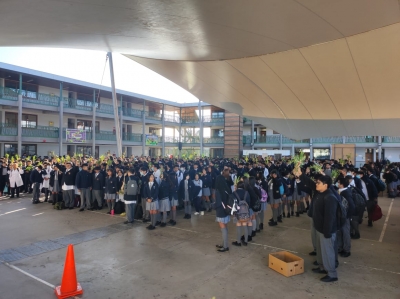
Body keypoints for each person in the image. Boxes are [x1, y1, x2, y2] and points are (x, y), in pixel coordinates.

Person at [311, 175, 338, 282]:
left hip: (326, 230)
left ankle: (332, 274)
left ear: (325, 185)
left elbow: (330, 217)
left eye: (318, 183)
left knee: (328, 251)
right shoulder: (320, 194)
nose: (316, 184)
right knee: (321, 251)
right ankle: (322, 267)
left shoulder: (330, 197)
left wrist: (327, 232)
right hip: (319, 228)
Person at [337, 176, 355, 258]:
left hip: (345, 217)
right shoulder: (340, 191)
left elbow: (352, 206)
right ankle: (340, 247)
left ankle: (347, 250)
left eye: (338, 182)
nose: (337, 183)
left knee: (345, 233)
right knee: (340, 232)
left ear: (342, 184)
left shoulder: (346, 193)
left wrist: (348, 216)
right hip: (340, 216)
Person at [232, 181, 251, 246]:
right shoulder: (246, 193)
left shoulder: (234, 193)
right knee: (245, 226)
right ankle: (245, 241)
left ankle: (238, 242)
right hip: (245, 212)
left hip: (237, 212)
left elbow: (232, 202)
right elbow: (249, 202)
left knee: (238, 226)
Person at [214, 175, 231, 252]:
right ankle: (224, 243)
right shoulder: (227, 189)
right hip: (227, 210)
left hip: (220, 211)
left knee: (222, 228)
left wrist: (213, 206)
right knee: (225, 227)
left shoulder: (218, 191)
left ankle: (225, 246)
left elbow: (217, 203)